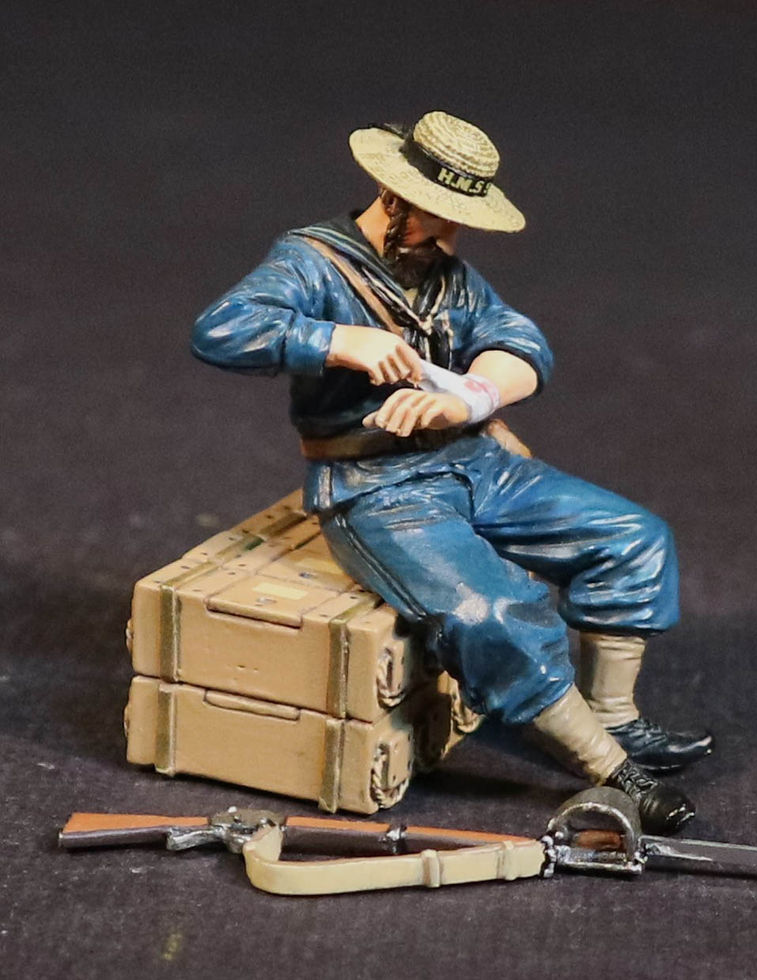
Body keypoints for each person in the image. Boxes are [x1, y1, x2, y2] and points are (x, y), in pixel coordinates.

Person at [191, 111, 712, 834]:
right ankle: (611, 769)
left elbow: (520, 342)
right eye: (441, 215)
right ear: (393, 197)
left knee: (632, 537)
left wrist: (470, 397)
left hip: (472, 459)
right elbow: (220, 329)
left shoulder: (449, 276)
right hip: (377, 488)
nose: (453, 233)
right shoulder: (310, 261)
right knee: (490, 611)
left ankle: (613, 716)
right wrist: (337, 340)